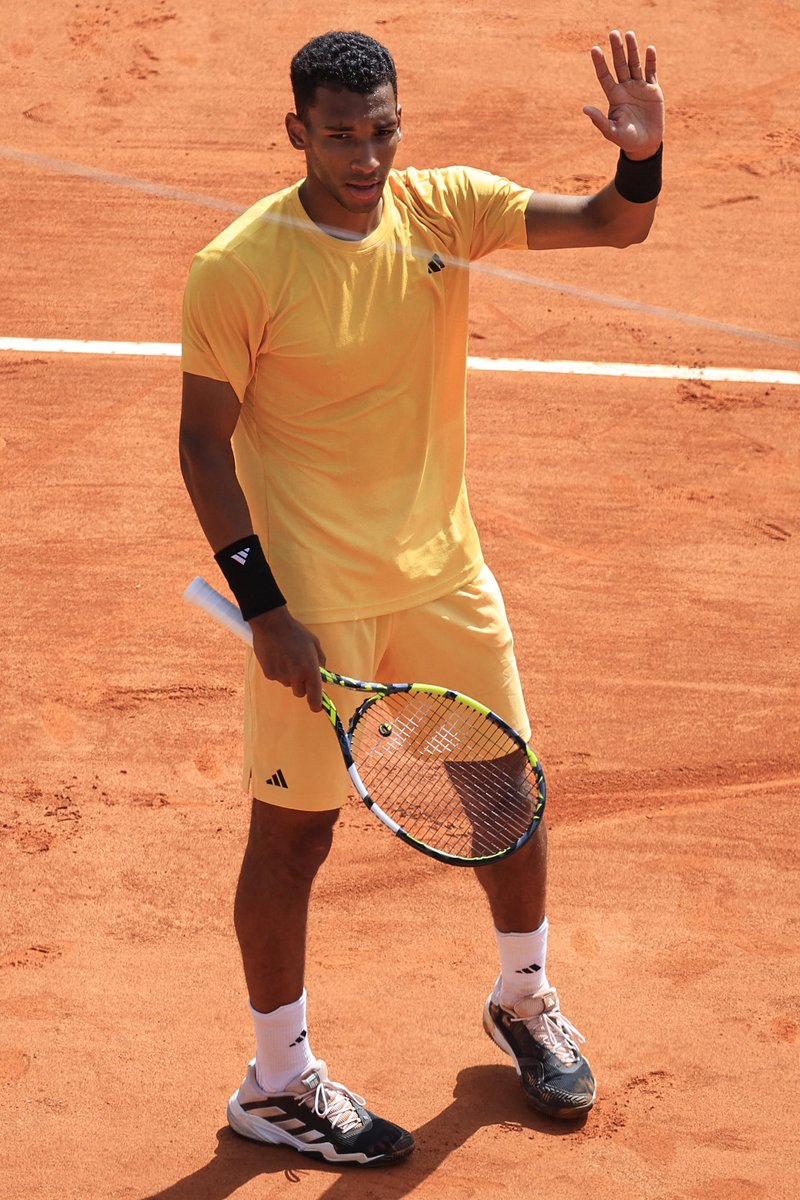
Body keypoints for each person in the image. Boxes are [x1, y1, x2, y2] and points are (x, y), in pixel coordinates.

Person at [179, 28, 664, 1166]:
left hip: (443, 579)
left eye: (381, 130)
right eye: (340, 135)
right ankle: (278, 1080)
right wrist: (263, 608)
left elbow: (609, 223)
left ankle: (523, 1001)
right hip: (315, 602)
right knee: (292, 841)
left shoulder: (441, 212)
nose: (365, 156)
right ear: (297, 130)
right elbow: (203, 448)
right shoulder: (239, 266)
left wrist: (637, 161)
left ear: (401, 121)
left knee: (506, 799)